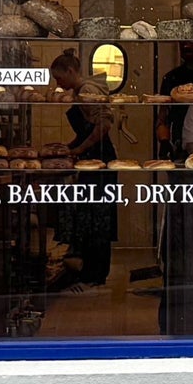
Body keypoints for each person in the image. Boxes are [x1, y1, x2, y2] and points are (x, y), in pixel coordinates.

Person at [49, 50, 118, 293]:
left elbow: (104, 125)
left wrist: (80, 148)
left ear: (70, 71)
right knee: (89, 217)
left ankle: (95, 276)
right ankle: (89, 272)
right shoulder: (80, 92)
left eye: (59, 78)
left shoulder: (88, 90)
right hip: (92, 157)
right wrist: (68, 147)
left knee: (98, 219)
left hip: (100, 159)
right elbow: (87, 129)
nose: (58, 84)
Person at [155, 41, 193, 160]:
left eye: (192, 42)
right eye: (182, 42)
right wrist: (165, 142)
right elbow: (163, 117)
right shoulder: (171, 78)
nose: (186, 46)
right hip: (180, 148)